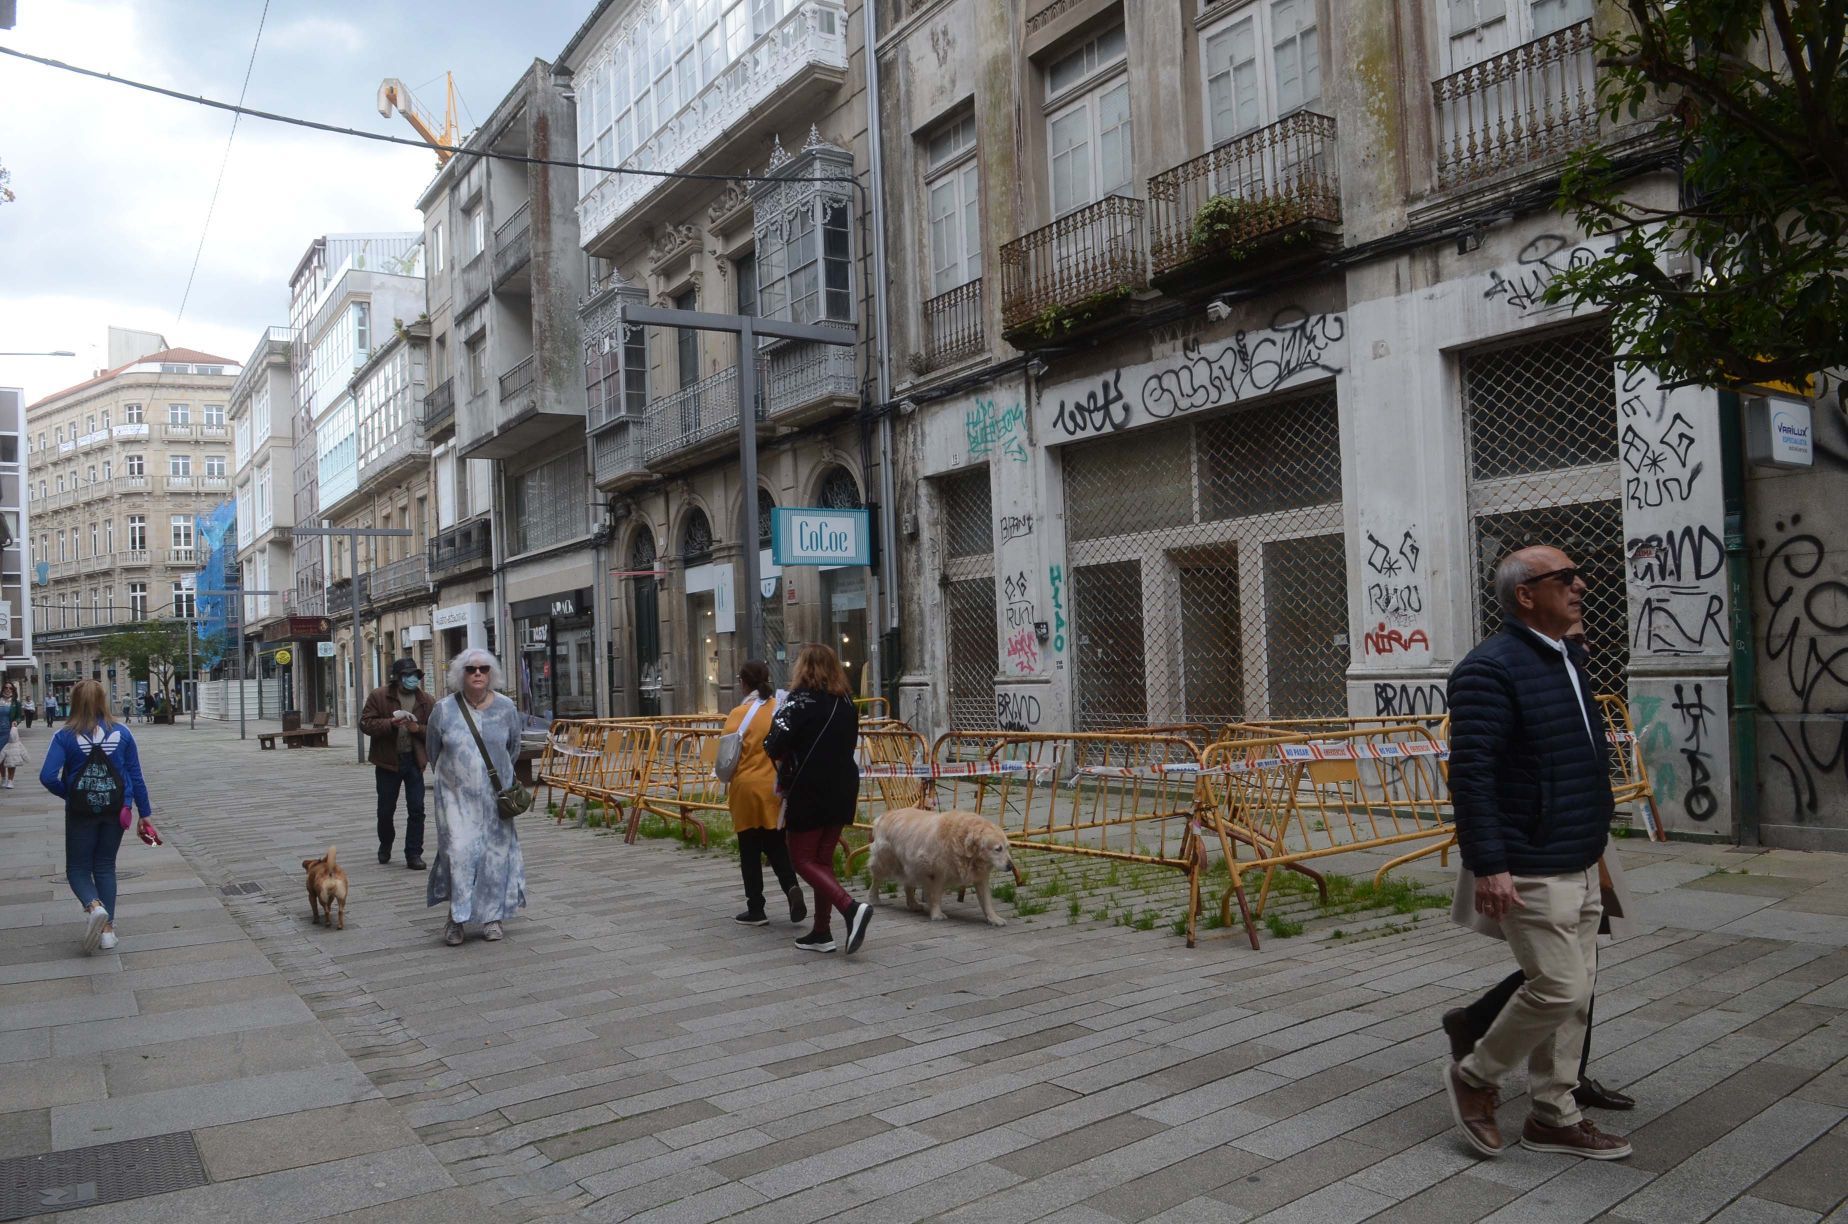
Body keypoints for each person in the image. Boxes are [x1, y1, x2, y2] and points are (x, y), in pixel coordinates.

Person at [1441, 546, 1632, 1161]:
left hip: (1577, 853)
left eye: (1580, 575)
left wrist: (1595, 843)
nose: (1581, 586)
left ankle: (1554, 1114)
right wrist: (1489, 864)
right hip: (1527, 861)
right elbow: (1471, 777)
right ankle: (1476, 1076)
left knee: (1576, 998)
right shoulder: (1488, 670)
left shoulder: (1564, 659)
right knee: (1557, 986)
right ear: (1526, 594)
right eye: (1566, 578)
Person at [764, 643, 870, 955]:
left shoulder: (798, 701)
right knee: (822, 859)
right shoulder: (847, 702)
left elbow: (773, 742)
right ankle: (822, 932)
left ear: (802, 668)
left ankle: (850, 908)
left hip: (810, 786)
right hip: (844, 785)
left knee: (801, 858)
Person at [39, 679, 154, 955]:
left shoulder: (64, 736)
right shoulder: (123, 733)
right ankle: (107, 932)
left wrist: (70, 794)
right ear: (104, 701)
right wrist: (144, 813)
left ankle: (93, 906)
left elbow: (47, 776)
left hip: (81, 812)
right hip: (117, 810)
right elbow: (135, 776)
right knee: (105, 866)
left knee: (77, 869)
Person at [425, 648, 526, 945]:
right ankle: (456, 918)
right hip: (455, 799)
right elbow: (434, 751)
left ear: (492, 673)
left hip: (495, 798)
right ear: (461, 675)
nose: (478, 673)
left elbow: (513, 749)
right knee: (458, 853)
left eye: (484, 668)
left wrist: (497, 780)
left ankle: (492, 917)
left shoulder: (506, 708)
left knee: (494, 857)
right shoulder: (444, 709)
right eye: (471, 669)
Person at [723, 661, 805, 928]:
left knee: (748, 849)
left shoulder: (738, 714)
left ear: (743, 683)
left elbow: (726, 758)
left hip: (746, 788)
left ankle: (756, 908)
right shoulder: (779, 710)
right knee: (776, 844)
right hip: (774, 788)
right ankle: (791, 886)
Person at [361, 657, 436, 869]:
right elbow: (365, 724)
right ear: (397, 677)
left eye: (415, 675)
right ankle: (385, 843)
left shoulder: (427, 701)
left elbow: (436, 731)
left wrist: (417, 729)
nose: (412, 679)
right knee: (386, 810)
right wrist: (390, 724)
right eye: (407, 675)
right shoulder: (379, 696)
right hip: (387, 761)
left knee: (417, 809)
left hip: (414, 761)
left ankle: (413, 853)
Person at [0, 682, 22, 788]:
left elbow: (19, 716)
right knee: (1, 757)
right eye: (6, 687)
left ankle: (10, 780)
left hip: (9, 733)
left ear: (13, 690)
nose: (8, 689)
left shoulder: (16, 703)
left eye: (10, 688)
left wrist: (16, 722)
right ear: (3, 689)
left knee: (11, 756)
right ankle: (3, 778)